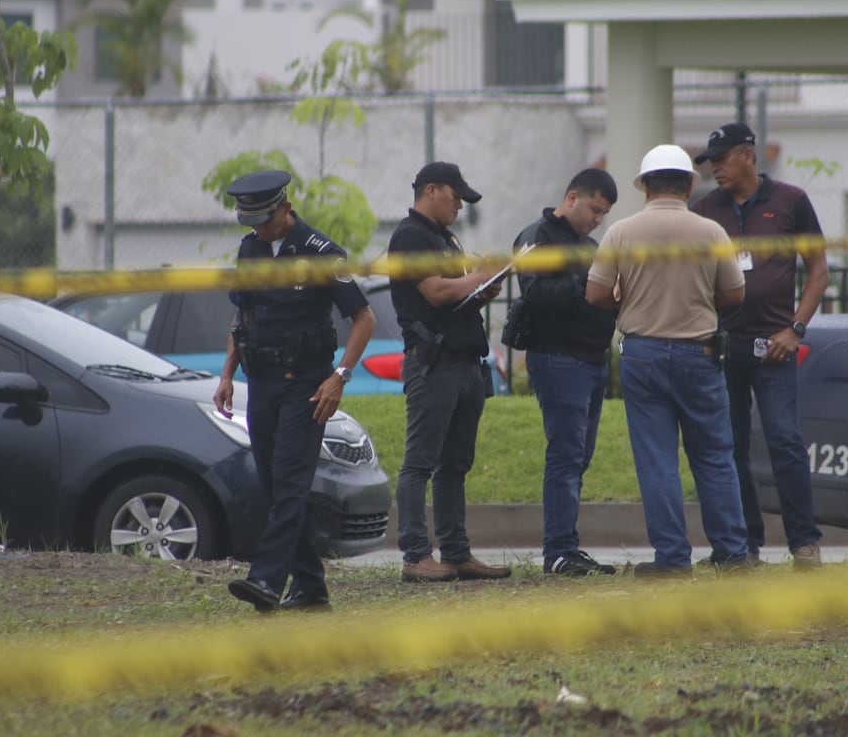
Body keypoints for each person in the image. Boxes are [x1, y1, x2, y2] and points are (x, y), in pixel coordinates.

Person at [585, 145, 750, 576]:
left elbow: (596, 294)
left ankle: (672, 559)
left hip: (644, 354)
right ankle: (733, 554)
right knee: (714, 456)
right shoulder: (711, 232)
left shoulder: (621, 232)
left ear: (645, 189)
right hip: (700, 353)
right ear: (691, 185)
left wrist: (628, 299)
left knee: (658, 460)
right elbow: (735, 294)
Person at [217, 169, 376, 612]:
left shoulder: (322, 252)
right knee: (276, 486)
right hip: (261, 382)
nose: (258, 228)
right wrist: (228, 373)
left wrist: (339, 378)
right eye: (251, 221)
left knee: (289, 481)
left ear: (286, 209)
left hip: (306, 385)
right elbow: (241, 318)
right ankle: (310, 588)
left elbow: (364, 319)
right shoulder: (250, 250)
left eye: (265, 219)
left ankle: (266, 580)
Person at [690, 123, 830, 570]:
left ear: (747, 156)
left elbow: (819, 270)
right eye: (709, 160)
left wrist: (795, 330)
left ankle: (804, 543)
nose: (714, 167)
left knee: (784, 440)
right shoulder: (705, 209)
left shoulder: (790, 201)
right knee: (728, 447)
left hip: (775, 348)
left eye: (721, 158)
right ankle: (743, 546)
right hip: (722, 347)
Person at [387, 161, 512, 583]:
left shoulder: (444, 238)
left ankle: (456, 553)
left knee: (455, 464)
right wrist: (476, 277)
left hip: (464, 363)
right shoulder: (409, 237)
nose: (460, 204)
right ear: (431, 190)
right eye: (455, 195)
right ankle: (415, 555)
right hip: (433, 364)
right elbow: (436, 291)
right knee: (420, 462)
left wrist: (481, 291)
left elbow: (454, 300)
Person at [513, 168, 620, 577]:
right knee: (566, 456)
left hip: (592, 359)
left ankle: (567, 545)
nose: (597, 219)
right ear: (572, 197)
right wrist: (589, 285)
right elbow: (535, 293)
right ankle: (558, 550)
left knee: (579, 457)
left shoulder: (591, 245)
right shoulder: (536, 237)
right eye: (594, 209)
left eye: (604, 213)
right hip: (558, 357)